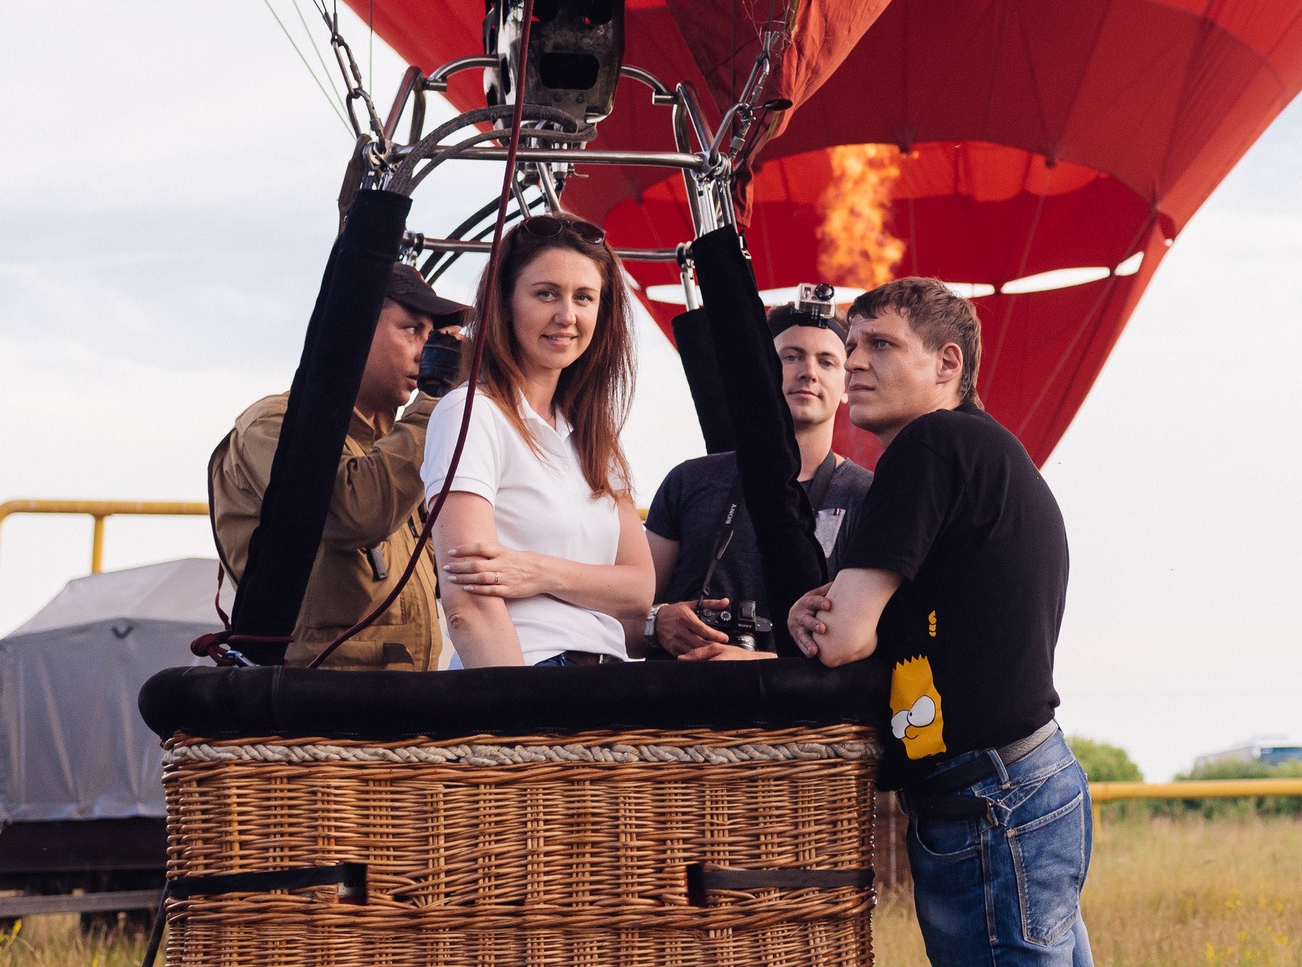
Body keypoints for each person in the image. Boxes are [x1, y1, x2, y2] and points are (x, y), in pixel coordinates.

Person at [787, 277, 1089, 967]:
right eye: (853, 343)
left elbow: (842, 639)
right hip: (1028, 780)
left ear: (947, 364)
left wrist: (822, 618)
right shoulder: (985, 451)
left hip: (987, 800)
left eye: (882, 344)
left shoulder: (929, 445)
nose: (854, 360)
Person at [208, 262, 468, 670]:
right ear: (354, 330)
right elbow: (358, 512)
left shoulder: (399, 445)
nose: (427, 351)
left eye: (433, 336)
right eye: (412, 330)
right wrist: (439, 401)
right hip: (316, 707)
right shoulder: (275, 424)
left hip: (397, 703)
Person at [422, 214, 655, 667]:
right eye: (546, 293)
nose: (567, 316)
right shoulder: (469, 413)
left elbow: (640, 591)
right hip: (530, 674)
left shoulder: (593, 437)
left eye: (584, 297)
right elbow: (468, 609)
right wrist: (521, 722)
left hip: (611, 679)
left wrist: (535, 572)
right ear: (505, 304)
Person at [640, 292, 874, 660]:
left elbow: (875, 650)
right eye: (790, 356)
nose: (808, 372)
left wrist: (760, 665)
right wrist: (657, 622)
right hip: (678, 707)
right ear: (762, 370)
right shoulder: (689, 481)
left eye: (827, 362)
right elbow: (622, 622)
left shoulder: (869, 496)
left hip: (803, 716)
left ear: (846, 385)